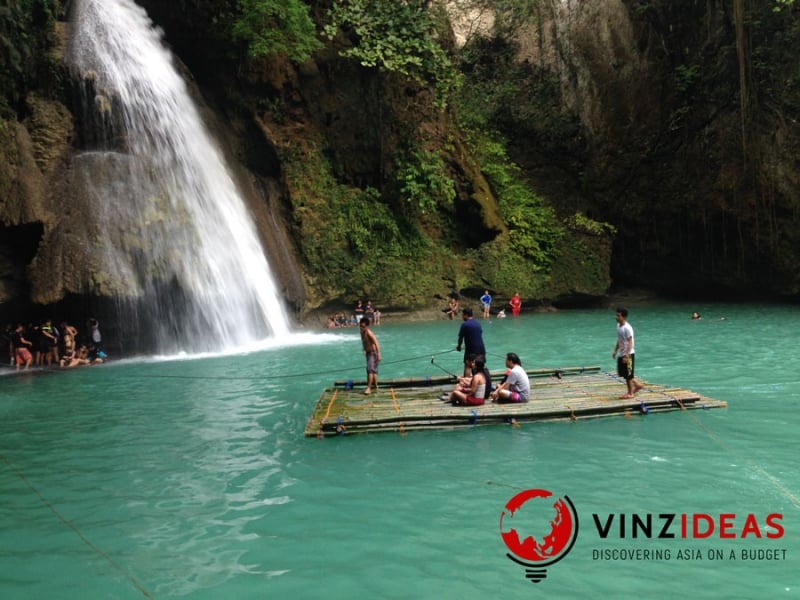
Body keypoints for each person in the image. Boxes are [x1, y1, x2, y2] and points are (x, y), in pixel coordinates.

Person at [612, 307, 645, 399]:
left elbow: (630, 342)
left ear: (624, 317)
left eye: (618, 316)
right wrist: (615, 351)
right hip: (621, 353)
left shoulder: (627, 328)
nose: (616, 317)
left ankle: (630, 393)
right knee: (622, 373)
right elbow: (619, 340)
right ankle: (638, 385)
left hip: (628, 354)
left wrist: (627, 355)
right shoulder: (618, 326)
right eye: (616, 315)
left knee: (628, 375)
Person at [456, 307, 486, 376]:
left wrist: (459, 346)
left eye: (463, 315)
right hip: (481, 349)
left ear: (466, 315)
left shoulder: (465, 324)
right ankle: (481, 381)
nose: (462, 317)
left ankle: (467, 383)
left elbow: (460, 338)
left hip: (471, 350)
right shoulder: (478, 323)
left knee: (468, 366)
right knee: (479, 366)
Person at [359, 316, 381, 395]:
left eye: (363, 326)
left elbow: (376, 343)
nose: (361, 327)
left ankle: (368, 388)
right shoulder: (361, 332)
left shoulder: (369, 333)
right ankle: (376, 386)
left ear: (367, 326)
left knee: (370, 370)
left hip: (373, 353)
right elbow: (364, 342)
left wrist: (379, 354)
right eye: (360, 326)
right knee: (373, 370)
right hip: (368, 353)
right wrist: (364, 350)